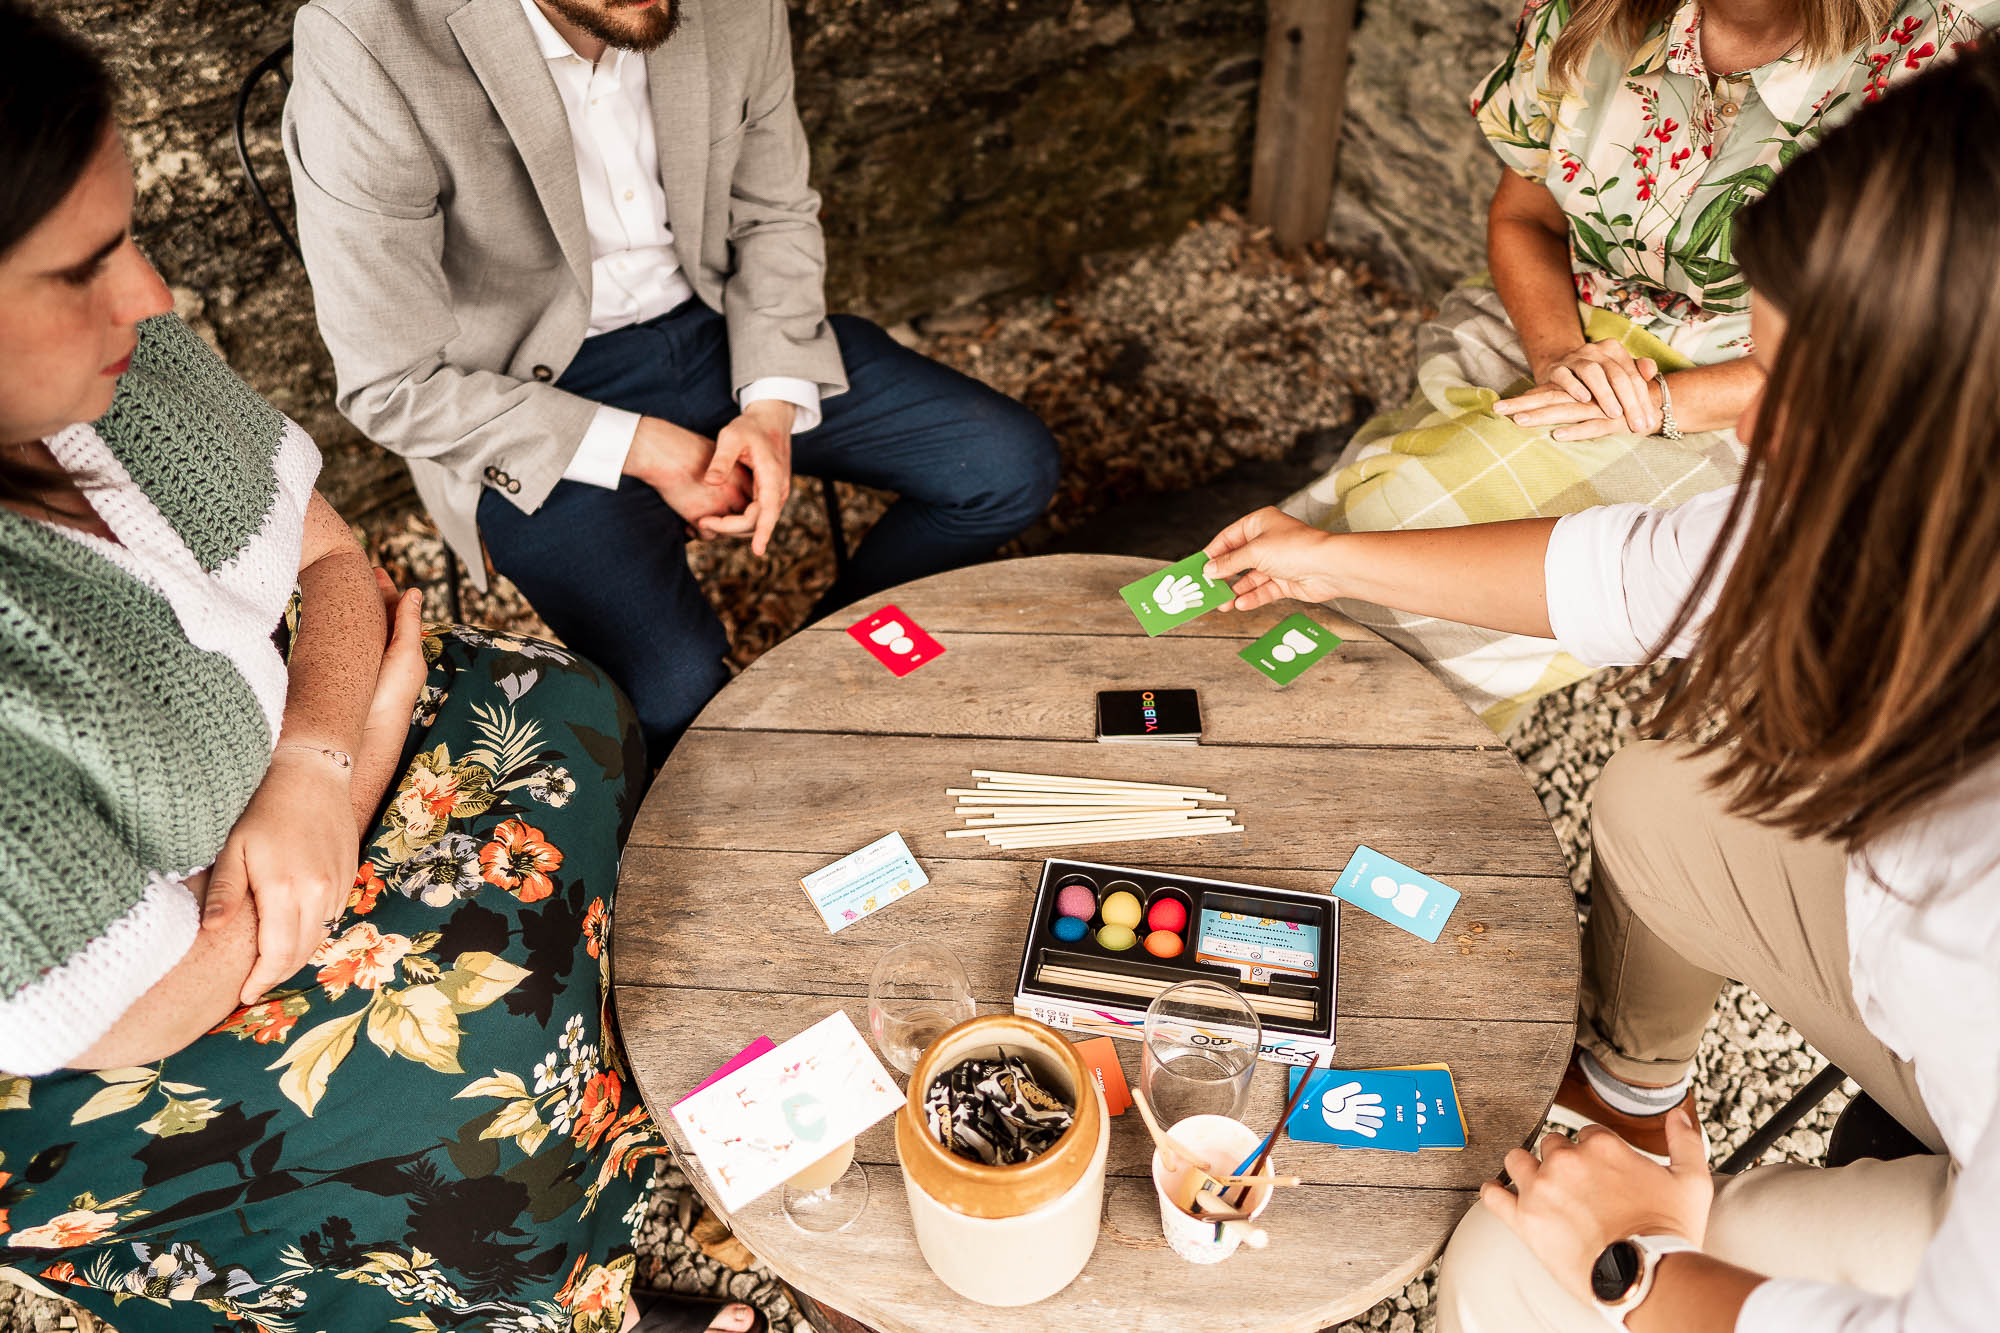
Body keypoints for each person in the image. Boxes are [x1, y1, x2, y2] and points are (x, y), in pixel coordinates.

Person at [1203, 39, 2000, 1332]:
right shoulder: (1939, 512)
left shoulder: (1983, 897)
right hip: (1949, 1039)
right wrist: (1332, 556)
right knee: (1667, 790)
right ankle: (1630, 1082)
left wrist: (1629, 1267)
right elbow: (1645, 573)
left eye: (1800, 397)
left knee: (1507, 1272)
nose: (1750, 433)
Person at [0, 8, 756, 1330]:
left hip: (270, 790)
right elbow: (132, 1003)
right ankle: (553, 1292)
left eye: (133, 236)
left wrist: (309, 755)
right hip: (88, 1040)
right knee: (479, 1087)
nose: (157, 299)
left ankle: (612, 1229)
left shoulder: (119, 368)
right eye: (87, 266)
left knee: (573, 708)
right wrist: (343, 777)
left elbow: (336, 559)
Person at [282, 0, 1061, 766]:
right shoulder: (364, 39)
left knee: (1003, 468)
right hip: (522, 391)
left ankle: (824, 669)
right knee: (672, 693)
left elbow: (775, 213)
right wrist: (646, 449)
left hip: (724, 324)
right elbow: (393, 382)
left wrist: (771, 403)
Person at [1278, 0, 1993, 732]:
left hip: (1748, 388)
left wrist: (1662, 403)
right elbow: (1523, 217)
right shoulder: (1591, 13)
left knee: (1396, 568)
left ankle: (1331, 735)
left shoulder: (1942, 65)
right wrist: (1560, 354)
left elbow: (1893, 364)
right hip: (1563, 318)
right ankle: (1220, 675)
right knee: (1366, 509)